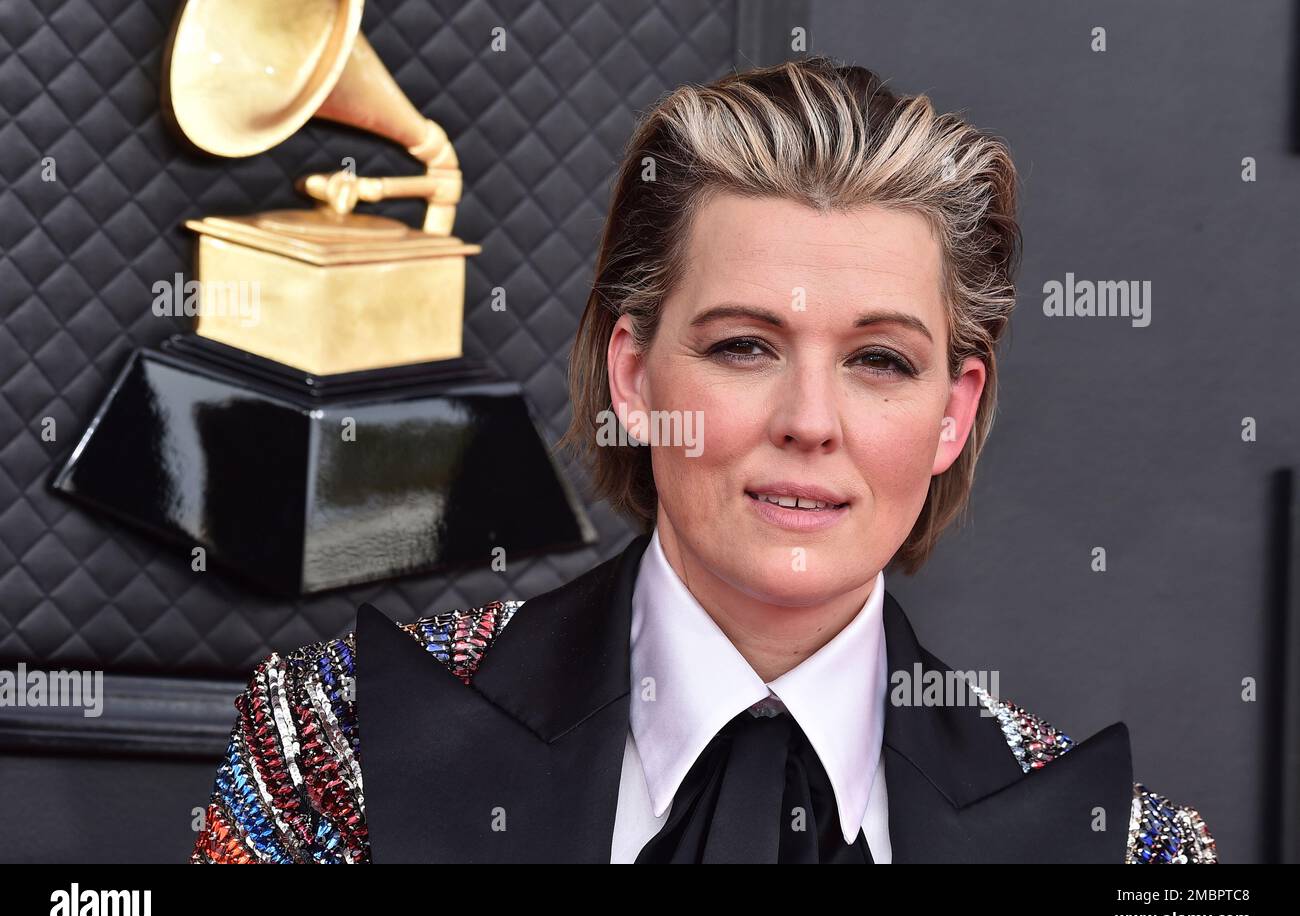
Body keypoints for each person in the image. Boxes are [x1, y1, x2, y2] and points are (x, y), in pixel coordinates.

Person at [190, 55, 1216, 864]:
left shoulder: (1129, 852)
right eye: (743, 346)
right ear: (632, 376)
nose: (810, 420)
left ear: (953, 410)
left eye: (878, 360)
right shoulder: (334, 743)